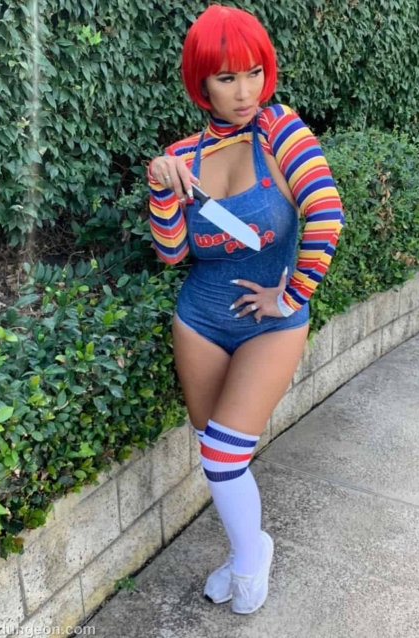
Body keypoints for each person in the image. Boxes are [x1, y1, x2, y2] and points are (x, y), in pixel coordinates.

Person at [147, 4, 345, 615]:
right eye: (227, 77)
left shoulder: (280, 130)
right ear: (201, 83)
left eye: (254, 72)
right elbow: (172, 253)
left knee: (223, 454)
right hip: (200, 321)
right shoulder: (185, 156)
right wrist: (161, 188)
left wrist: (289, 296)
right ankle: (244, 550)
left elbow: (327, 215)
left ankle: (250, 561)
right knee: (217, 457)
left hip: (272, 323)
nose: (245, 91)